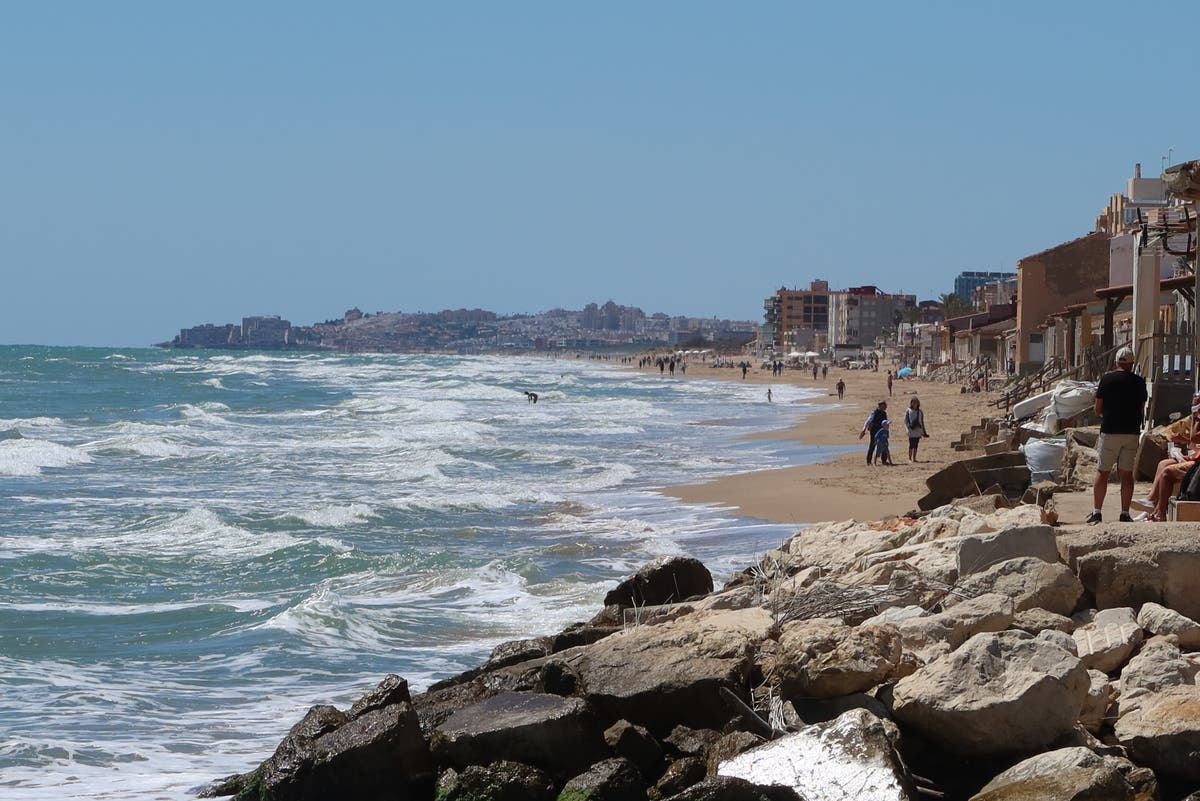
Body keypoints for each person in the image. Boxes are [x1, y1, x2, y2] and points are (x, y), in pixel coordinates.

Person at [1087, 347, 1148, 524]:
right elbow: (1141, 409)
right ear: (1132, 364)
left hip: (1110, 431)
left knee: (1103, 472)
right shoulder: (1139, 382)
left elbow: (1098, 409)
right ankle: (1124, 513)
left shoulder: (1107, 379)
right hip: (1131, 432)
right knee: (1127, 475)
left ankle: (1097, 512)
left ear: (1116, 363)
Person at [859, 400, 888, 465]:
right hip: (874, 431)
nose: (886, 407)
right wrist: (863, 430)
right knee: (872, 445)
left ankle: (884, 460)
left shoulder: (884, 413)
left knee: (884, 444)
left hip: (882, 430)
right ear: (881, 406)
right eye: (885, 405)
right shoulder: (874, 413)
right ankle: (868, 461)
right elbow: (868, 421)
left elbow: (885, 422)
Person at [904, 397, 929, 462]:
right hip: (911, 431)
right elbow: (906, 421)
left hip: (918, 430)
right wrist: (908, 428)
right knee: (911, 445)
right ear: (911, 403)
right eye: (913, 402)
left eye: (916, 402)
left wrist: (924, 432)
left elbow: (921, 422)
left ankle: (914, 458)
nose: (915, 404)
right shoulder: (908, 410)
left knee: (916, 445)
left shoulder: (920, 411)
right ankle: (909, 458)